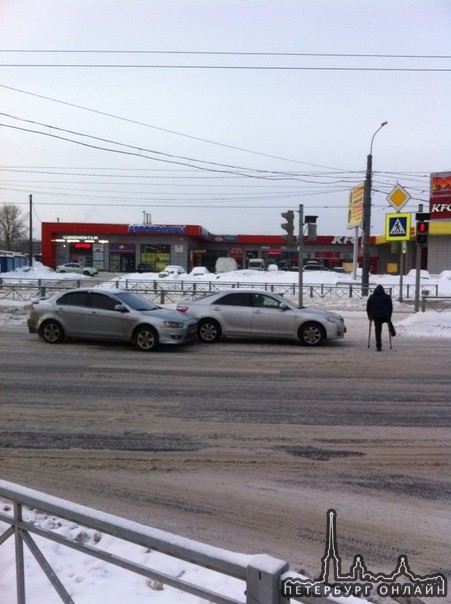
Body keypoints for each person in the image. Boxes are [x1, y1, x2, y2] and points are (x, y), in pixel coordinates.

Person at [366, 285, 393, 351]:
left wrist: (370, 316)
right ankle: (393, 332)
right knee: (389, 323)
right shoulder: (387, 297)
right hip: (385, 315)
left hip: (376, 316)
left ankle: (378, 346)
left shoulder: (372, 297)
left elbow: (368, 308)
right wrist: (389, 316)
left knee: (378, 331)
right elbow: (390, 307)